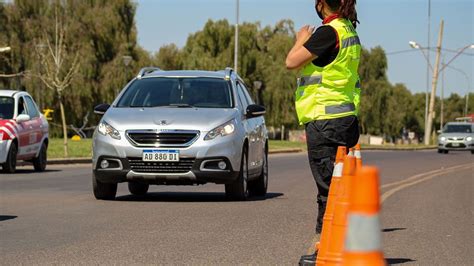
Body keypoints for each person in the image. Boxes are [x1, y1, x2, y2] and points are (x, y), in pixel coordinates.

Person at [285, 0, 361, 264]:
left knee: (328, 189)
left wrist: (300, 39)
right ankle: (338, 247)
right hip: (346, 120)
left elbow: (291, 62)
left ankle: (327, 251)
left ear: (320, 5)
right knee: (340, 187)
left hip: (325, 121)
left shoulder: (328, 33)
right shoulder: (349, 30)